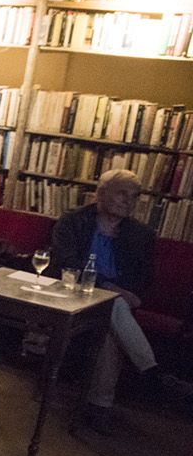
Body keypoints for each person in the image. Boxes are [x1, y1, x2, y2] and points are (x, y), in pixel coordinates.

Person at [50, 169, 162, 419]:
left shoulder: (141, 234)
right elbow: (64, 263)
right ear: (101, 193)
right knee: (113, 304)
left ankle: (98, 405)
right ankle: (143, 374)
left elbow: (142, 278)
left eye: (134, 196)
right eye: (122, 194)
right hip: (72, 291)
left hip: (113, 301)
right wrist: (109, 287)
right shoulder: (73, 221)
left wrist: (120, 292)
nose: (128, 201)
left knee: (111, 314)